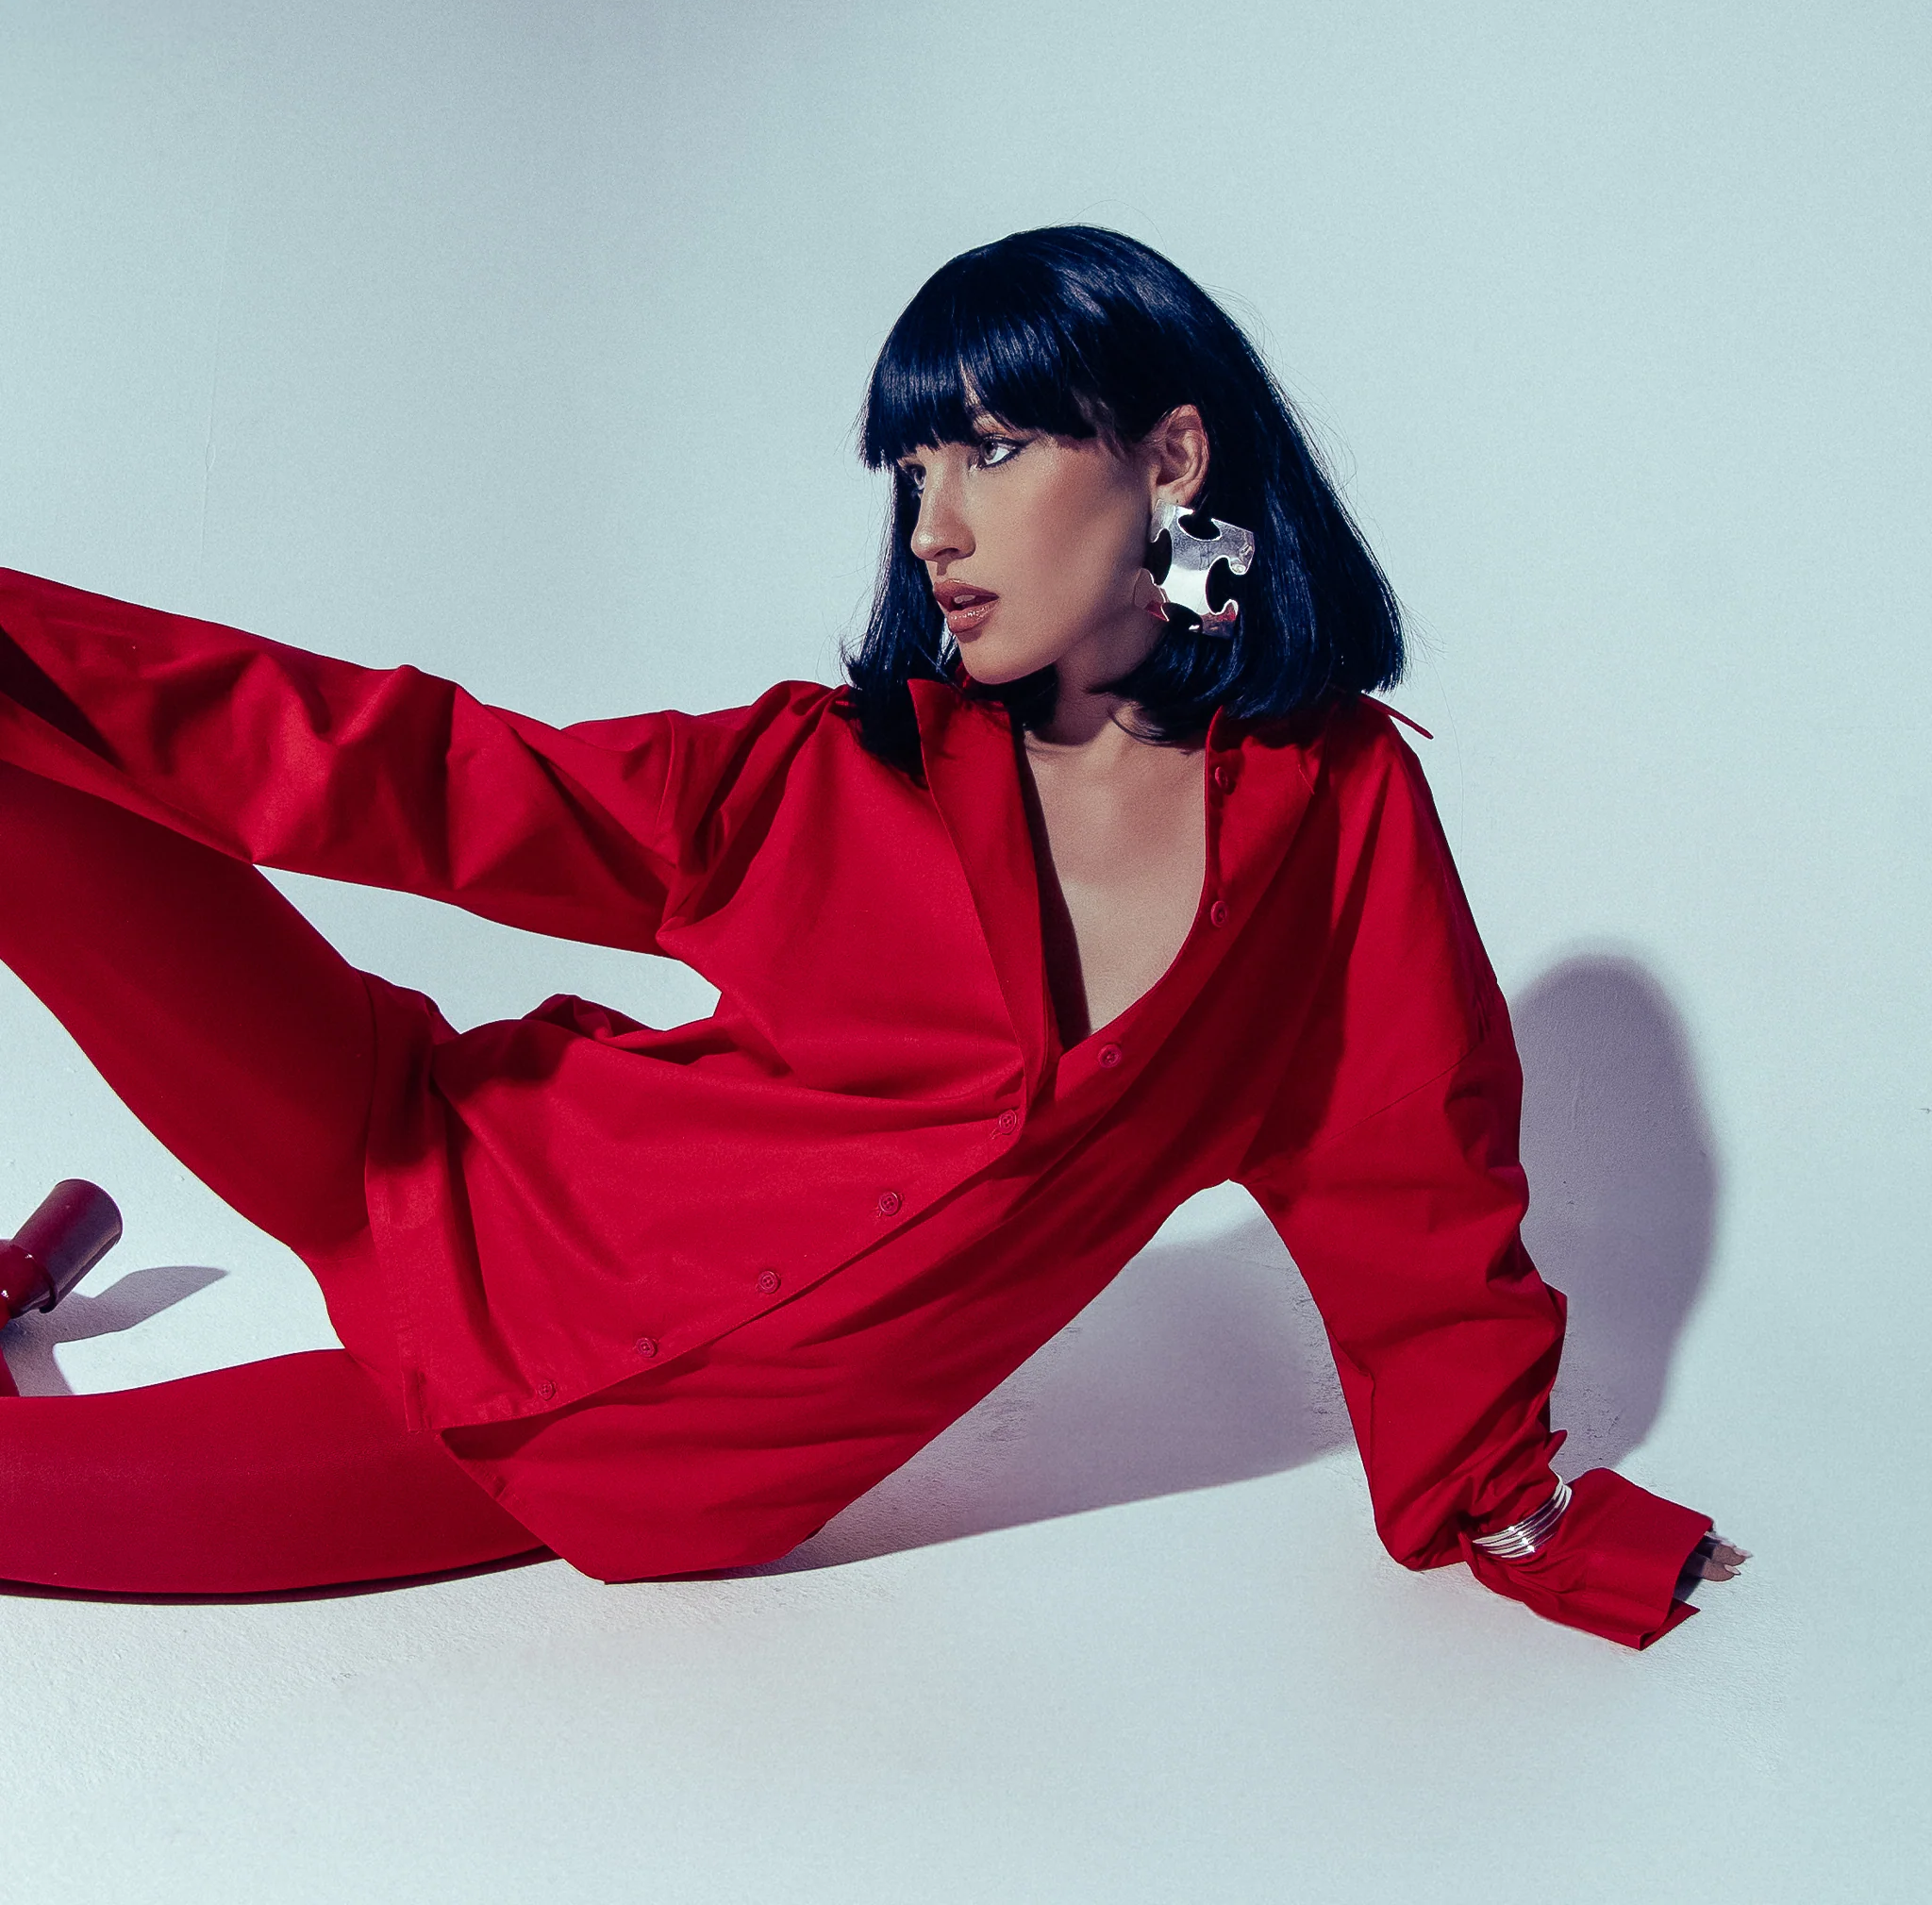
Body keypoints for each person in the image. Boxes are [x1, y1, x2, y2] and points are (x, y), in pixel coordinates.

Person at [0, 225, 1744, 1641]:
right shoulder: (844, 772)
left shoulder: (1335, 811)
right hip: (430, 1148)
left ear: (1171, 457)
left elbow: (1410, 1176)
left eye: (991, 448)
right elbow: (427, 776)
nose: (934, 528)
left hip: (577, 1454)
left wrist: (1513, 1513)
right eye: (913, 469)